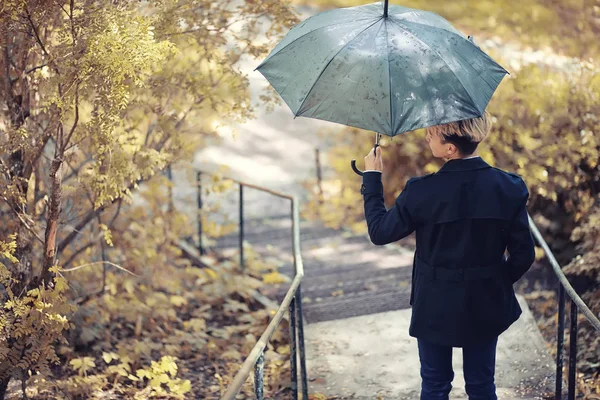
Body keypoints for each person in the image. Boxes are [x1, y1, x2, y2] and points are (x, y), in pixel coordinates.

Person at [361, 111, 536, 400]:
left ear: (450, 148)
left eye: (433, 133)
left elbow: (380, 232)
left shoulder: (422, 191)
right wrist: (493, 282)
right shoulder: (509, 187)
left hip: (434, 303)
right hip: (484, 301)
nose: (427, 135)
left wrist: (372, 178)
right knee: (481, 386)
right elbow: (523, 255)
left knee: (434, 384)